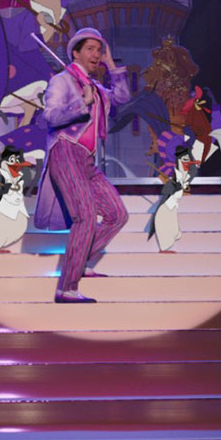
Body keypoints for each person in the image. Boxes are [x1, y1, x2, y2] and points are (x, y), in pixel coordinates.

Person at [32, 27, 131, 303]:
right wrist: (81, 105)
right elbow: (50, 116)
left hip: (87, 160)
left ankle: (80, 260)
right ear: (75, 53)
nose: (96, 54)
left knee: (117, 214)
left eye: (99, 50)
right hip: (66, 151)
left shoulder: (96, 89)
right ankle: (67, 287)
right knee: (85, 216)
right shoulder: (63, 81)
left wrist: (112, 66)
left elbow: (123, 98)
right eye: (90, 49)